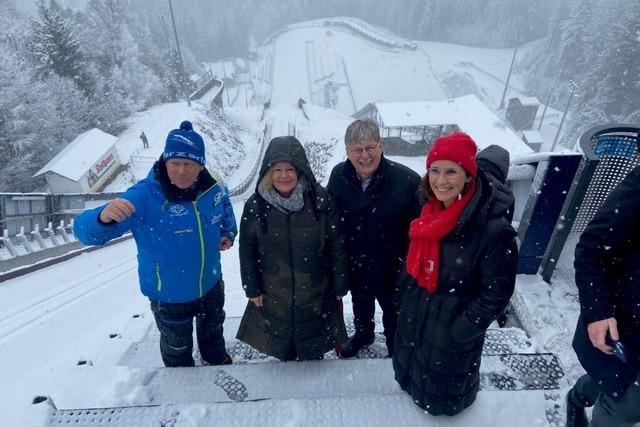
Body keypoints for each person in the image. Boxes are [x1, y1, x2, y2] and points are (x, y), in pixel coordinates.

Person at [74, 120, 237, 367]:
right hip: (169, 295)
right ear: (164, 162)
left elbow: (223, 205)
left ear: (200, 166)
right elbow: (84, 233)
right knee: (177, 347)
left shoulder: (211, 186)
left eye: (189, 164)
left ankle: (216, 360)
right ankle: (180, 380)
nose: (181, 171)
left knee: (213, 333)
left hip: (211, 283)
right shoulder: (145, 196)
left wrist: (228, 231)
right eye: (175, 163)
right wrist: (101, 218)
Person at [392, 132, 518, 416]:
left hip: (451, 329)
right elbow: (413, 259)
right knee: (415, 369)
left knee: (442, 392)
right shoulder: (430, 211)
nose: (441, 180)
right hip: (418, 313)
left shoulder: (492, 230)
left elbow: (497, 292)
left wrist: (464, 326)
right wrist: (404, 294)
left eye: (451, 171)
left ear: (469, 176)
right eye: (435, 170)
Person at [236, 136, 349, 361]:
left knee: (313, 348)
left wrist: (340, 283)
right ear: (269, 173)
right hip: (274, 290)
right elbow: (247, 249)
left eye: (289, 169)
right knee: (282, 347)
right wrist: (252, 288)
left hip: (315, 289)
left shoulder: (319, 200)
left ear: (300, 170)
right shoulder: (256, 205)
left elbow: (337, 244)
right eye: (277, 169)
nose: (284, 175)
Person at [327, 119, 421, 358]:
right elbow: (330, 219)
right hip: (355, 261)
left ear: (381, 146)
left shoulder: (406, 181)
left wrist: (408, 263)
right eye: (357, 149)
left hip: (393, 264)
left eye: (370, 147)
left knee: (393, 311)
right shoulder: (339, 176)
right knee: (360, 302)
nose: (365, 155)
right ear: (347, 151)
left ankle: (395, 344)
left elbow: (421, 230)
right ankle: (364, 333)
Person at [566, 165, 640, 427]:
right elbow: (593, 247)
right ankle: (577, 399)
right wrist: (597, 312)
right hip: (628, 324)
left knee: (618, 384)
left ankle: (577, 397)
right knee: (624, 403)